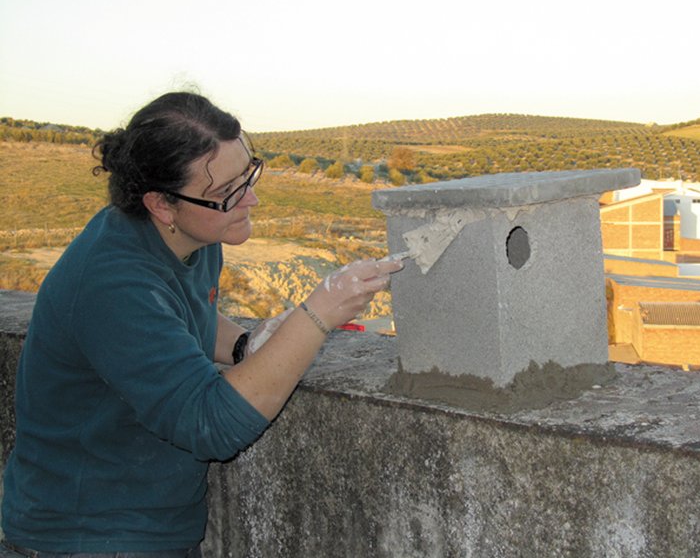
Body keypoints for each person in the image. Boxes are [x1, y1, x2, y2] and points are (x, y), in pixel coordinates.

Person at [1, 92, 403, 557]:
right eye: (225, 192)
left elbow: (179, 314)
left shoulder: (193, 232)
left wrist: (246, 346)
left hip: (142, 527)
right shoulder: (111, 281)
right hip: (87, 536)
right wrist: (318, 315)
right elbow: (212, 424)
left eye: (248, 173)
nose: (250, 198)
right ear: (162, 204)